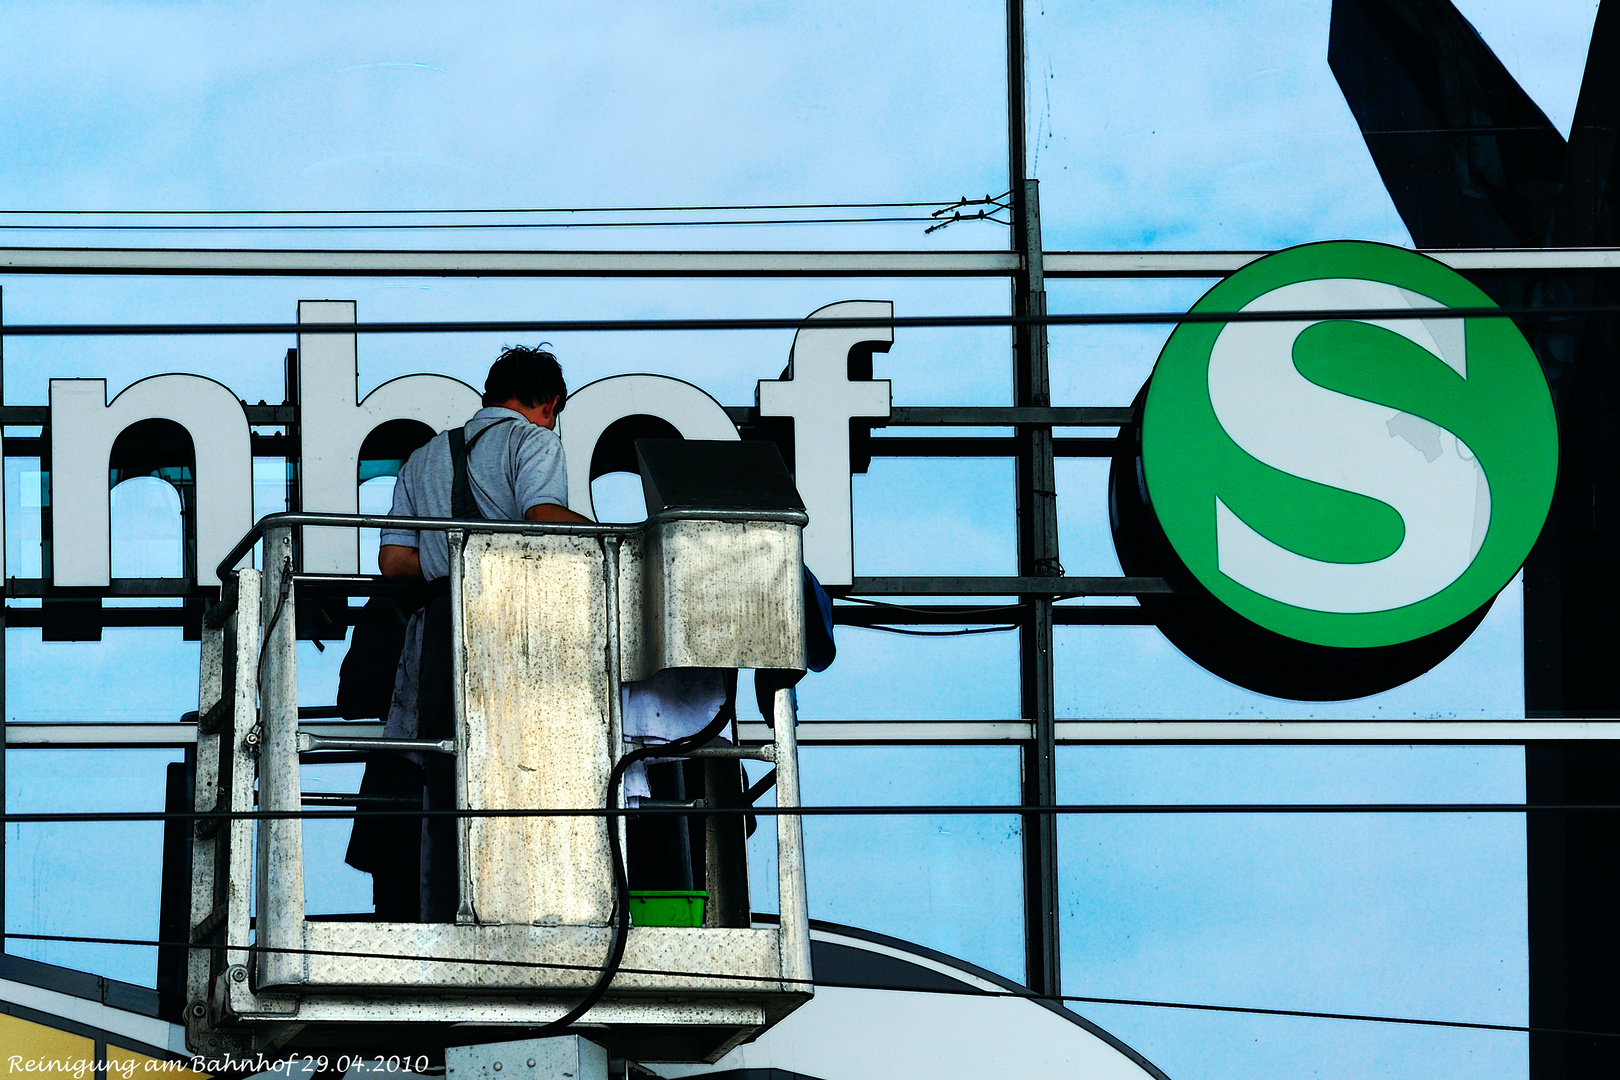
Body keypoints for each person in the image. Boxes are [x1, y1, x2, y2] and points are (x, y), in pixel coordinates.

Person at [344, 345, 589, 921]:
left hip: (432, 639)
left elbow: (394, 561)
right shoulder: (534, 440)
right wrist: (617, 537)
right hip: (507, 634)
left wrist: (449, 565)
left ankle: (435, 902)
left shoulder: (422, 457)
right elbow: (544, 517)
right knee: (512, 770)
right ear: (549, 404)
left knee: (440, 765)